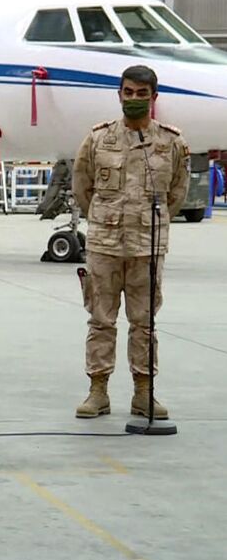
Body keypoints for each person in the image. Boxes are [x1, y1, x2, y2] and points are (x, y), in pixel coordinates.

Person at [72, 65, 189, 420]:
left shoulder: (172, 142)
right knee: (100, 321)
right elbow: (83, 187)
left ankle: (143, 392)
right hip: (105, 246)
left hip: (147, 247)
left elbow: (176, 194)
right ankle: (98, 391)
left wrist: (143, 221)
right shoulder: (97, 139)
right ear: (119, 94)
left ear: (154, 98)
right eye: (128, 92)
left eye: (142, 94)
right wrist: (107, 219)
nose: (134, 99)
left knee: (145, 323)